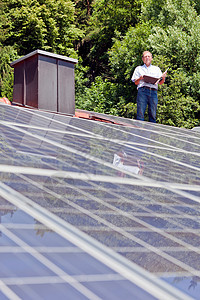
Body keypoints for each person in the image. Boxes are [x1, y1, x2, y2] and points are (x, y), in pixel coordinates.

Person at [131, 51, 167, 123]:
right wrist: (140, 78)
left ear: (151, 58)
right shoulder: (138, 69)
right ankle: (139, 131)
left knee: (153, 114)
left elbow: (160, 83)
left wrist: (163, 78)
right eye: (145, 56)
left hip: (153, 92)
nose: (147, 58)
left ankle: (151, 133)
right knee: (140, 113)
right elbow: (135, 82)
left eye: (149, 56)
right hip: (142, 91)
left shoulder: (156, 69)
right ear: (142, 59)